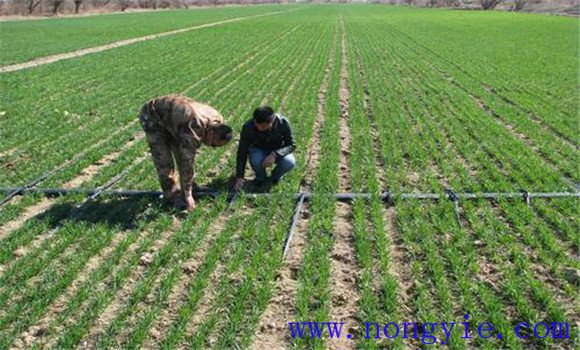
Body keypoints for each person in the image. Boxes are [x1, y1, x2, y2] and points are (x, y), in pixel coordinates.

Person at [139, 95, 233, 211]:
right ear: (211, 133)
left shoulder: (218, 119)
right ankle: (172, 196)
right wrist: (188, 195)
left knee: (180, 150)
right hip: (152, 116)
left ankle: (188, 187)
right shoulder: (194, 127)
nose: (211, 147)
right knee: (164, 160)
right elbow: (187, 161)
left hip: (176, 120)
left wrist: (188, 186)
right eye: (213, 144)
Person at [233, 106, 296, 191]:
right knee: (255, 159)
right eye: (257, 125)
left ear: (272, 121)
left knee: (289, 162)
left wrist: (274, 154)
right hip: (259, 150)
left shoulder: (282, 122)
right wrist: (239, 177)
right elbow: (242, 151)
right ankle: (260, 177)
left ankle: (275, 177)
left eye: (263, 127)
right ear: (254, 120)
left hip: (278, 150)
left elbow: (291, 145)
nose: (259, 128)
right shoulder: (248, 126)